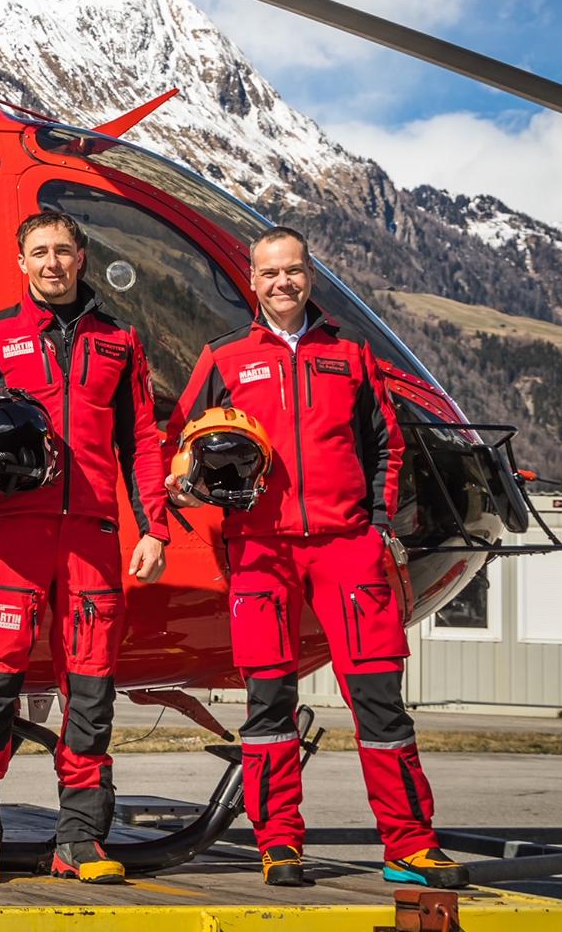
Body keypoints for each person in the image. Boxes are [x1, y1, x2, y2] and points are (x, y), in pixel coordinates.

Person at [169, 226, 467, 890]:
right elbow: (180, 445)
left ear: (309, 276)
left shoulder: (351, 355)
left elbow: (386, 445)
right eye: (270, 273)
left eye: (293, 270)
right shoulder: (223, 358)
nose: (283, 283)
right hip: (260, 549)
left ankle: (409, 845)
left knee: (379, 700)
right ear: (252, 281)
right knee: (267, 702)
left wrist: (379, 524)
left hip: (346, 547)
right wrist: (194, 491)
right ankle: (278, 844)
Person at [0, 211, 168, 884]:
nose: (51, 263)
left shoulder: (119, 340)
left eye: (62, 251)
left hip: (92, 536)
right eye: (38, 252)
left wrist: (155, 527)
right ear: (21, 262)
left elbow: (141, 441)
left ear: (81, 257)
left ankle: (80, 839)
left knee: (91, 690)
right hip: (12, 535)